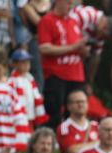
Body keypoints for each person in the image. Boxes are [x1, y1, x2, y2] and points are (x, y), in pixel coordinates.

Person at [38, 0, 87, 129]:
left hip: (76, 74)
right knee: (54, 112)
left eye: (71, 4)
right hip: (56, 74)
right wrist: (73, 47)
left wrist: (83, 50)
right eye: (68, 3)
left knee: (76, 111)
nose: (70, 6)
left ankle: (73, 139)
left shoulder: (74, 21)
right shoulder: (48, 20)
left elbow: (78, 47)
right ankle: (50, 141)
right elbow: (44, 48)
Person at [0, 50, 30, 153]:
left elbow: (16, 106)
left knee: (11, 152)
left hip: (8, 124)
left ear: (5, 68)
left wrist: (19, 125)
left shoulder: (10, 84)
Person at [10, 48, 48, 130]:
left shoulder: (30, 78)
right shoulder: (12, 80)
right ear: (15, 64)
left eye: (28, 61)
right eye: (23, 62)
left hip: (30, 114)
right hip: (19, 116)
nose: (27, 64)